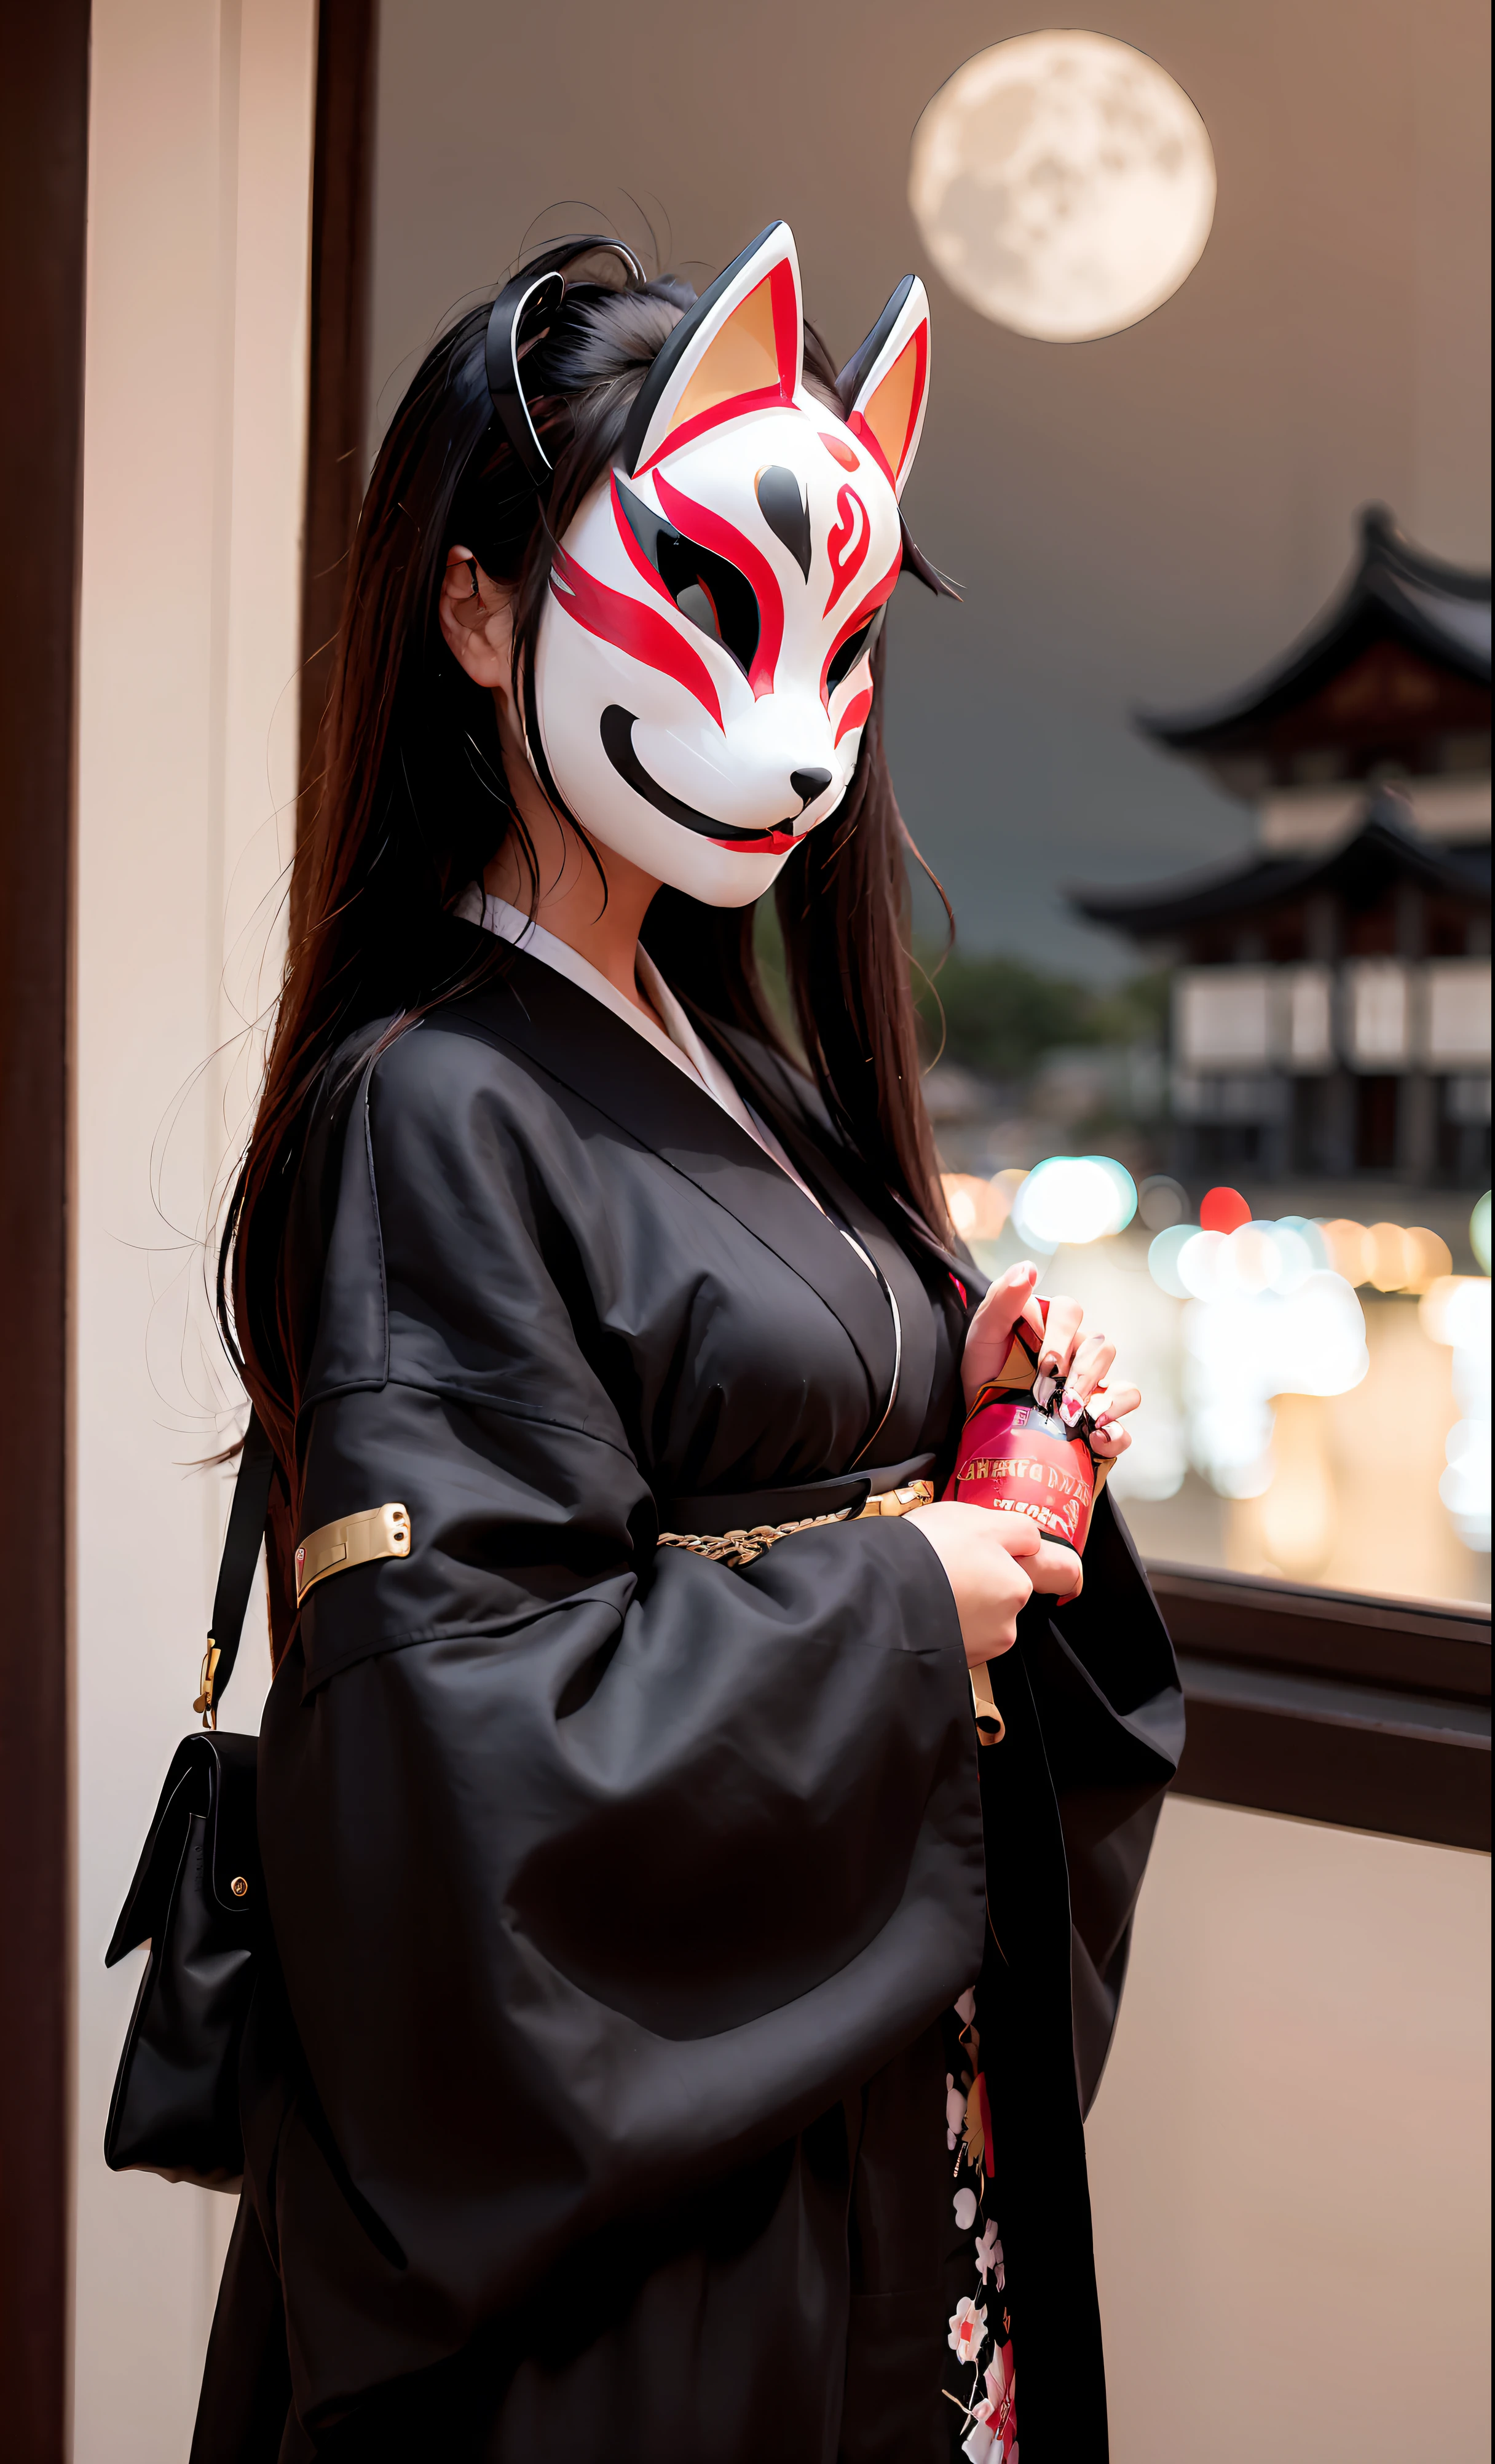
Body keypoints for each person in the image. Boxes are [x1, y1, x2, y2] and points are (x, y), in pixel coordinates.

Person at [194, 224, 1182, 2463]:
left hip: (846, 2099)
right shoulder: (428, 1102)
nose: (801, 734)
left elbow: (790, 1454)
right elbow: (459, 1742)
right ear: (474, 609)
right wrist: (903, 1594)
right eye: (718, 604)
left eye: (838, 649)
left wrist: (988, 1389)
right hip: (645, 2224)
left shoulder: (743, 1063)